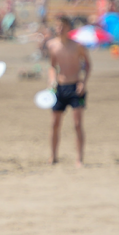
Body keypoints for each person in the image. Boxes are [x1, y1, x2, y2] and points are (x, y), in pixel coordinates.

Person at [46, 15, 91, 167]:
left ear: (68, 28)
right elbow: (52, 66)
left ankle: (79, 158)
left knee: (77, 124)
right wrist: (52, 79)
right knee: (54, 123)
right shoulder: (52, 45)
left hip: (75, 87)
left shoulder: (77, 46)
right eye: (57, 26)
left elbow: (88, 65)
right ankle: (53, 156)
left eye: (62, 27)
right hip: (60, 87)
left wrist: (83, 82)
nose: (59, 29)